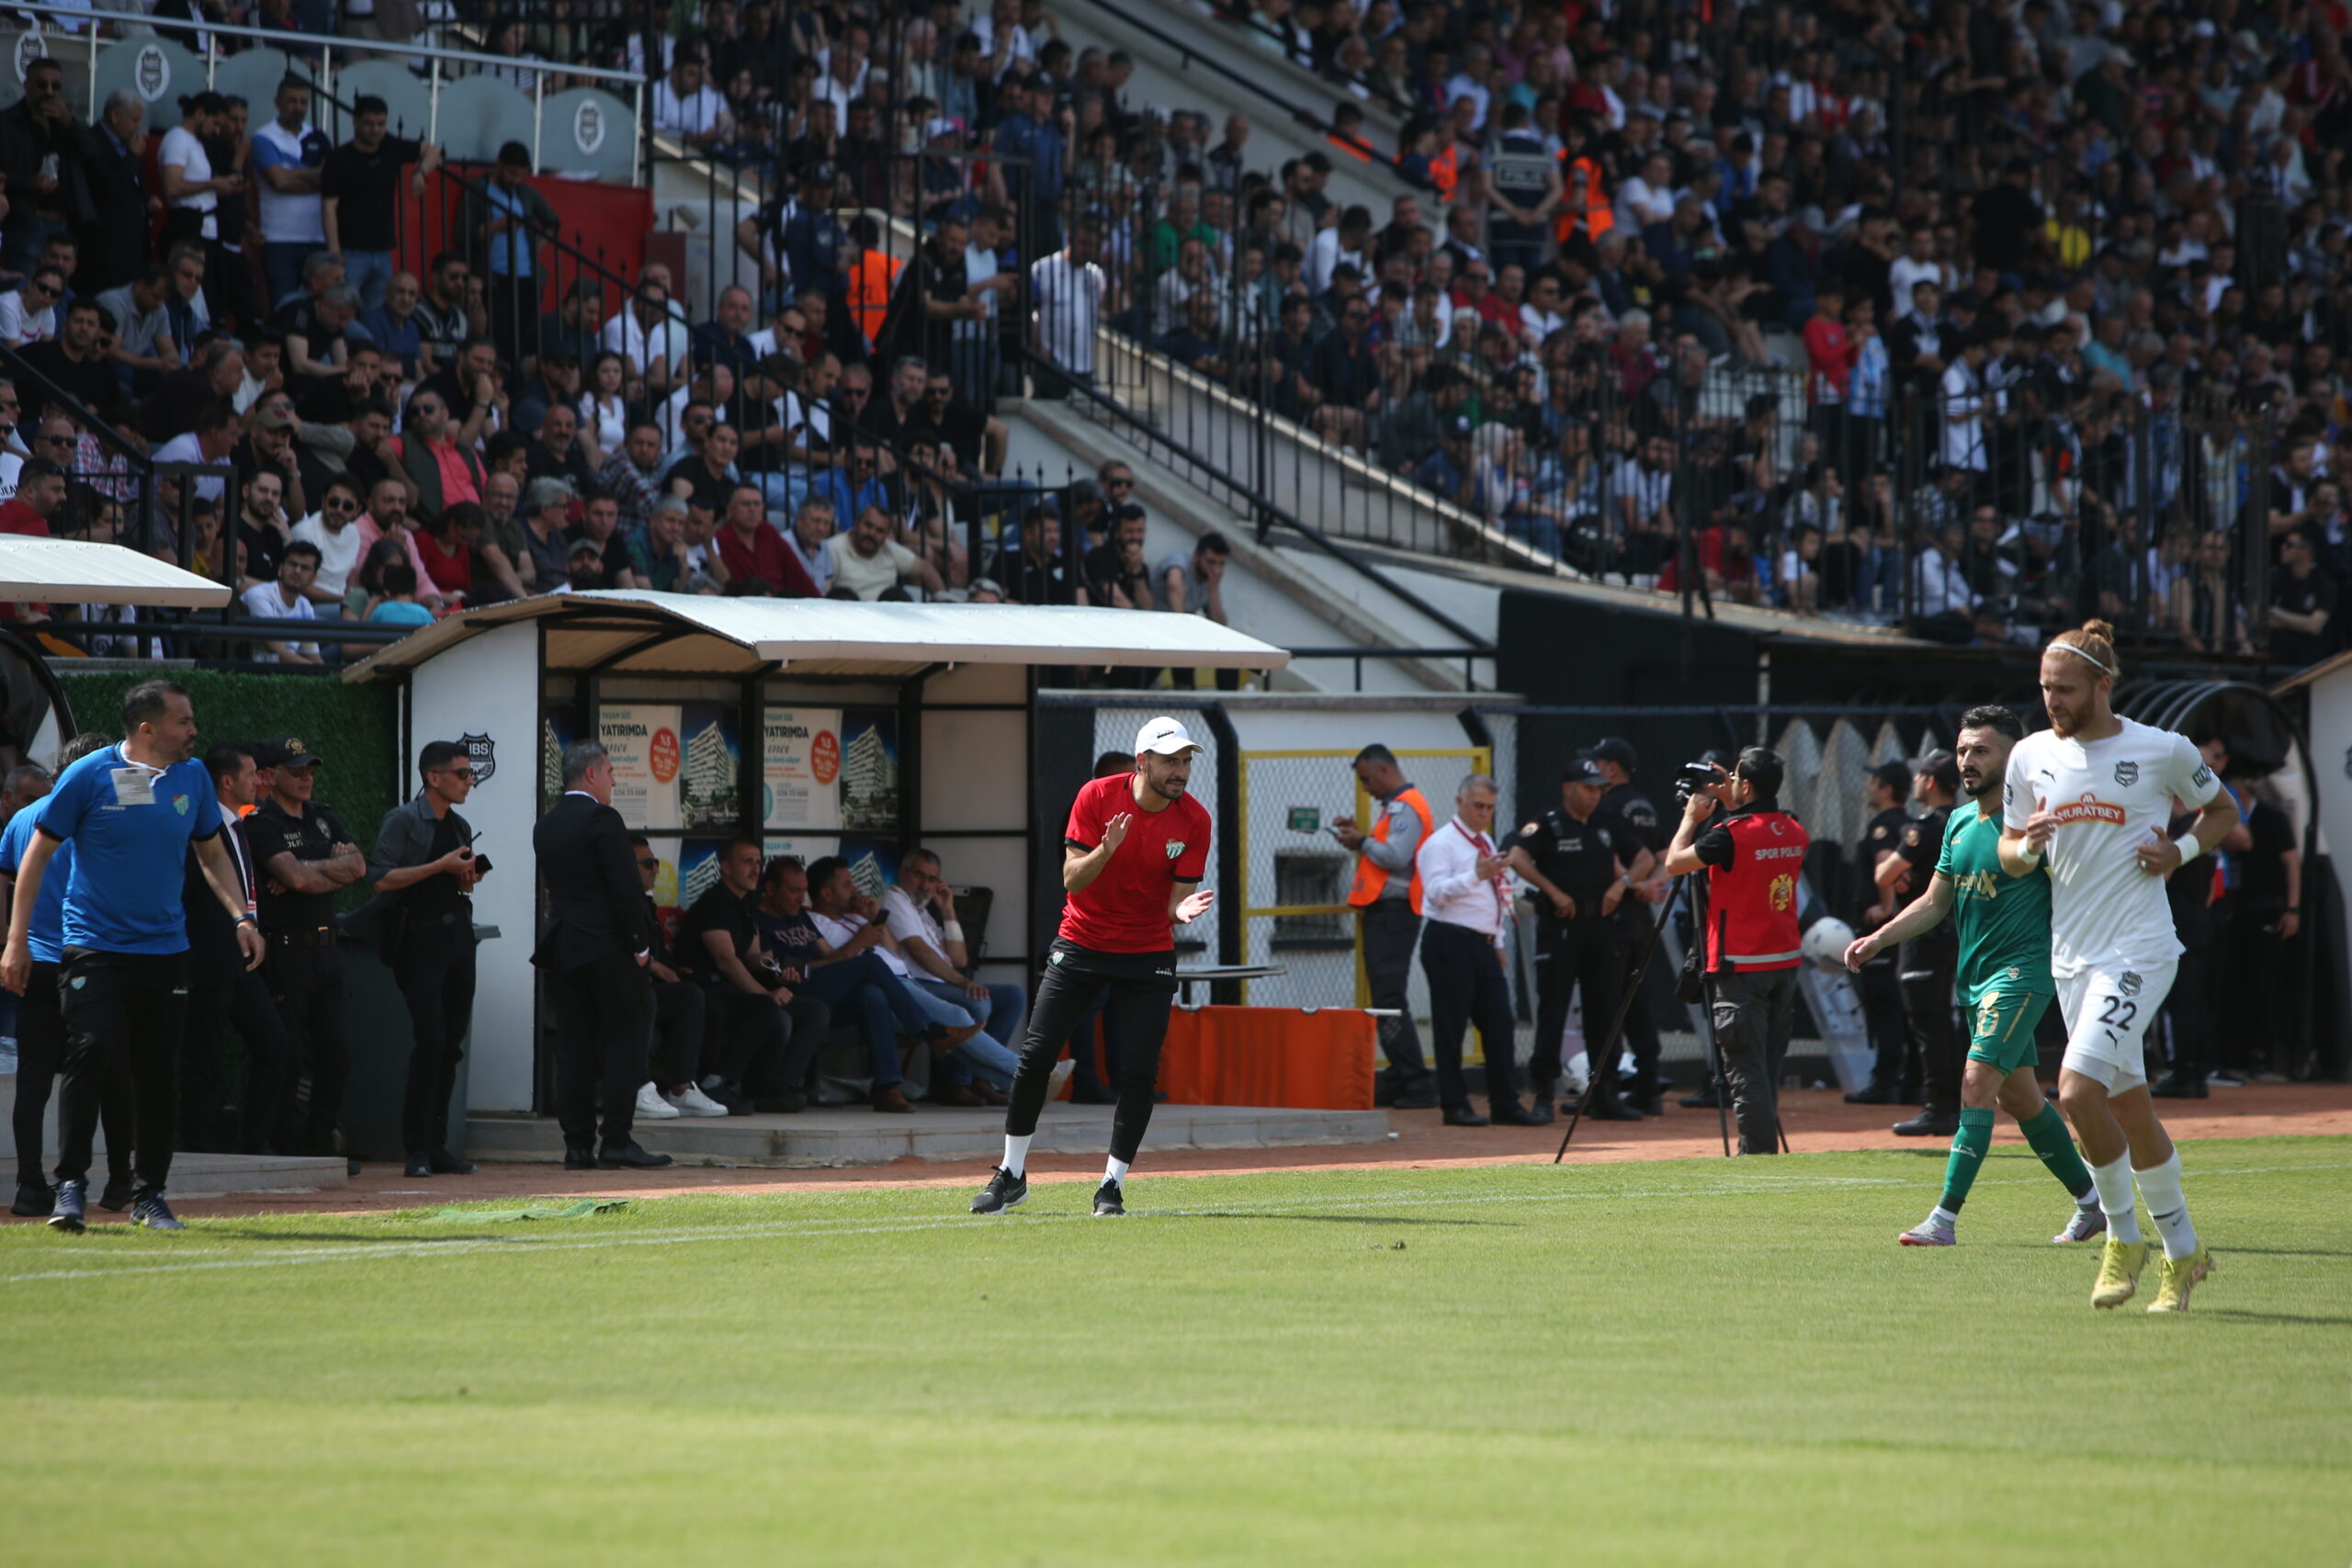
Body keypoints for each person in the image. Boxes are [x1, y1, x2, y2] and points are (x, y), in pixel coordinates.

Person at [1997, 621, 2235, 1312]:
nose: (2052, 701)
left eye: (2065, 689)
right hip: (2071, 957)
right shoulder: (2030, 755)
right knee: (2129, 1106)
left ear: (2103, 685)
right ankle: (2186, 1254)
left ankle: (2122, 1238)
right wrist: (2027, 846)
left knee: (2076, 1092)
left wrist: (2180, 852)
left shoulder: (2161, 749)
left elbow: (2222, 809)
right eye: (2045, 688)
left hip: (2138, 950)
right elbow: (2009, 851)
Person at [0, 681, 266, 1232]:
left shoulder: (192, 777)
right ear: (148, 729)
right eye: (183, 721)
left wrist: (241, 916)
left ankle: (150, 1194)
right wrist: (16, 941)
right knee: (91, 1052)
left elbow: (211, 852)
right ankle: (70, 1186)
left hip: (166, 951)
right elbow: (36, 857)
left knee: (157, 1073)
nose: (194, 731)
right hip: (93, 948)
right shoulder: (87, 774)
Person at [1843, 706, 2107, 1247]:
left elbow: (2086, 890)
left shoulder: (2038, 822)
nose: (1967, 760)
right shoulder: (1959, 822)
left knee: (1975, 1082)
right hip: (1975, 980)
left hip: (2023, 973)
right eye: (1963, 750)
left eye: (1981, 750)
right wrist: (1878, 939)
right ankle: (2092, 1205)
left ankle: (1943, 1220)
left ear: (2014, 757)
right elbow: (1933, 902)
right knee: (2020, 1099)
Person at [971, 716, 1216, 1218]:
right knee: (1036, 1056)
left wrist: (1181, 912)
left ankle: (1112, 1186)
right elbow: (1072, 880)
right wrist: (1107, 848)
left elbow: (1177, 902)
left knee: (1139, 1071)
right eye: (1170, 761)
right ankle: (1011, 1174)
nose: (1180, 771)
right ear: (1142, 761)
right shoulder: (1096, 796)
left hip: (1147, 950)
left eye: (1185, 761)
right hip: (1082, 942)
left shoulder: (1195, 819)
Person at [4, 733, 133, 1219]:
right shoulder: (97, 814)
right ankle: (118, 1182)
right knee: (112, 1072)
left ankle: (29, 1185)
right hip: (91, 961)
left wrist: (9, 945)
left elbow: (5, 880)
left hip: (33, 962)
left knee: (34, 1079)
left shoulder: (22, 818)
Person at [1661, 747, 1809, 1156]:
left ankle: (1756, 1156)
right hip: (1783, 962)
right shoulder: (1794, 828)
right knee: (1767, 1066)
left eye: (1737, 778)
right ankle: (1763, 1150)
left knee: (1746, 1072)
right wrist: (1735, 801)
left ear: (1745, 785)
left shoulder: (1730, 834)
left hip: (1740, 966)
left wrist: (1691, 818)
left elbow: (1674, 863)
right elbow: (1757, 838)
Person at [532, 740, 670, 1171]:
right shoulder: (602, 818)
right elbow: (624, 887)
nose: (614, 780)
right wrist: (641, 944)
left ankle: (577, 1146)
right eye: (609, 771)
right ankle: (616, 1141)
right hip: (610, 949)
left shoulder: (546, 824)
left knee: (574, 1047)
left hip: (566, 948)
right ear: (590, 774)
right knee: (623, 1044)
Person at [356, 740, 484, 1176]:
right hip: (419, 941)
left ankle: (437, 1146)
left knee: (450, 1046)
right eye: (462, 774)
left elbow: (457, 882)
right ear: (434, 777)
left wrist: (466, 876)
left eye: (470, 774)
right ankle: (417, 1151)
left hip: (458, 937)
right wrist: (439, 866)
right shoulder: (403, 820)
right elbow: (379, 878)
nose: (470, 781)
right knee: (430, 1041)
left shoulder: (460, 824)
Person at [1506, 758, 1657, 1122]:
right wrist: (1553, 892)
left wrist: (1622, 885)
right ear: (1568, 788)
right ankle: (1544, 1094)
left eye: (1598, 789)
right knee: (1554, 1011)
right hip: (1562, 929)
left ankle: (1604, 1092)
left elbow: (1644, 858)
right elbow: (1517, 857)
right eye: (1588, 788)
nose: (1594, 795)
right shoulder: (1548, 824)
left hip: (1602, 928)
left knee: (1604, 1013)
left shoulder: (1607, 822)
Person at [241, 736, 366, 1164]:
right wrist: (320, 870)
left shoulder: (323, 817)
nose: (306, 777)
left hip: (327, 951)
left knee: (338, 1052)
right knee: (291, 1055)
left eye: (310, 769)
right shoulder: (262, 823)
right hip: (286, 952)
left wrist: (306, 866)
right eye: (296, 771)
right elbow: (296, 880)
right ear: (270, 776)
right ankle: (288, 1143)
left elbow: (358, 867)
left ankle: (320, 1141)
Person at [176, 741, 295, 1157]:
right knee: (203, 1051)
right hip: (207, 957)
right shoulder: (199, 829)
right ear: (227, 782)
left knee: (274, 1042)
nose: (260, 781)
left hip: (244, 958)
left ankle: (253, 1141)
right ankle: (200, 1145)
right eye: (251, 774)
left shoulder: (242, 824)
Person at [1413, 772, 1539, 1127]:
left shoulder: (1483, 840)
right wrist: (1475, 875)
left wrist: (1496, 941)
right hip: (1450, 939)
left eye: (1490, 807)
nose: (1484, 813)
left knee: (1500, 1022)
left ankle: (1505, 1102)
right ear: (1460, 802)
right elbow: (1435, 893)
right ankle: (1454, 1104)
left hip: (1482, 943)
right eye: (1478, 805)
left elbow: (1493, 894)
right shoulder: (1442, 843)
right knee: (1451, 1025)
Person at [673, 837, 825, 1114]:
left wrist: (779, 971)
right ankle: (715, 1082)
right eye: (747, 862)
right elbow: (726, 960)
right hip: (706, 988)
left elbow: (755, 957)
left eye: (758, 862)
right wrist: (765, 993)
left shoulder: (745, 905)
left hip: (734, 989)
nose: (756, 869)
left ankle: (777, 1084)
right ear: (726, 868)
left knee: (814, 1011)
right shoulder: (714, 902)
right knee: (765, 1007)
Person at [1333, 743, 1435, 1109]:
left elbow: (1395, 855)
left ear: (1384, 771)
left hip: (1395, 913)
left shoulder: (1406, 805)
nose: (1365, 788)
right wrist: (1361, 840)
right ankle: (1402, 1074)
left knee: (1389, 999)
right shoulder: (1397, 806)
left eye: (1366, 779)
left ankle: (1416, 1080)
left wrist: (1362, 841)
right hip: (1388, 913)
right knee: (1385, 998)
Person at [885, 847, 1025, 1096]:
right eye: (919, 875)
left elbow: (959, 959)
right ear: (903, 872)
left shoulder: (923, 912)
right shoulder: (895, 900)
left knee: (1012, 997)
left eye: (932, 879)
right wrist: (963, 982)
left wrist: (948, 909)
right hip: (918, 984)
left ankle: (979, 1079)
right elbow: (919, 951)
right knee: (978, 1003)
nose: (925, 885)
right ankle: (957, 1082)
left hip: (941, 984)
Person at [1587, 738, 1671, 1111]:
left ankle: (1605, 1090)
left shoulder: (1606, 807)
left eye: (1596, 765)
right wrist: (1652, 884)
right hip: (1641, 919)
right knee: (1639, 1002)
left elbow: (1609, 856)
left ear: (1611, 769)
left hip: (1614, 914)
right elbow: (1665, 856)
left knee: (1606, 1004)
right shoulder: (1645, 805)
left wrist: (1631, 884)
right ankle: (1648, 1086)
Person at [1881, 749, 1962, 1139]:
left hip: (1923, 934)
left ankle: (1939, 1108)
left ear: (1930, 782)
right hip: (1957, 932)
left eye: (1919, 776)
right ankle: (1955, 1104)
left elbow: (1884, 874)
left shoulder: (1927, 826)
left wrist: (1900, 873)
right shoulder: (1965, 820)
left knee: (1929, 1023)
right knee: (1946, 1022)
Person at [626, 834, 726, 1118]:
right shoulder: (609, 900)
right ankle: (635, 1087)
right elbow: (615, 948)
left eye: (656, 862)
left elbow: (656, 951)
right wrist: (654, 966)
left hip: (645, 987)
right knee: (647, 998)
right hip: (615, 988)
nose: (656, 869)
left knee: (693, 995)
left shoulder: (644, 903)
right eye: (648, 864)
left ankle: (683, 1088)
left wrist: (672, 969)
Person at [1846, 761, 1916, 1104]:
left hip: (1882, 932)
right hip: (1910, 932)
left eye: (1873, 782)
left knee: (1885, 1006)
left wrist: (1885, 907)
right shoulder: (1911, 824)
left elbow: (1886, 861)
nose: (1868, 788)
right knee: (1906, 1008)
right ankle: (1912, 1080)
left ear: (1886, 789)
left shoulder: (1883, 825)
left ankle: (1886, 1080)